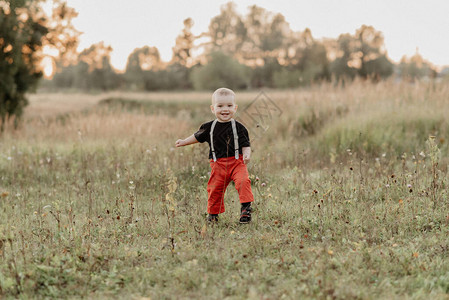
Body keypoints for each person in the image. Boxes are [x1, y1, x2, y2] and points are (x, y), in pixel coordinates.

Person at [175, 87, 254, 224]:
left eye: (229, 106)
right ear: (213, 108)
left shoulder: (240, 127)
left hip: (237, 162)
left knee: (243, 181)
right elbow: (196, 136)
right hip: (218, 165)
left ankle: (246, 209)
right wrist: (183, 142)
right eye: (220, 106)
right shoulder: (209, 127)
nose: (225, 109)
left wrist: (247, 155)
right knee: (214, 189)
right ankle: (213, 215)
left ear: (235, 108)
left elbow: (246, 144)